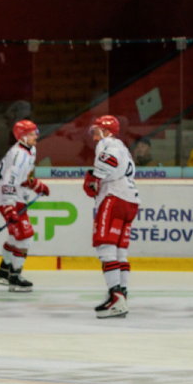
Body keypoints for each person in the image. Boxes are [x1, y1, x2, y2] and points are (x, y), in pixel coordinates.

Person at [83, 114, 138, 318]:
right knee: (120, 251)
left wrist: (93, 178)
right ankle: (120, 295)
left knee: (106, 246)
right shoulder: (124, 148)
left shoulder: (108, 143)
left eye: (97, 132)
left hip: (114, 197)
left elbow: (109, 162)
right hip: (131, 199)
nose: (95, 137)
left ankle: (115, 298)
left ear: (107, 131)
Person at [0, 119, 50, 291]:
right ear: (22, 137)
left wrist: (37, 185)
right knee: (25, 236)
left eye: (35, 133)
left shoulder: (29, 150)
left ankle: (3, 272)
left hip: (13, 197)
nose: (35, 137)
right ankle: (14, 277)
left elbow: (24, 177)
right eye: (31, 134)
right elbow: (9, 180)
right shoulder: (19, 154)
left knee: (15, 236)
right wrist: (9, 206)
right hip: (9, 198)